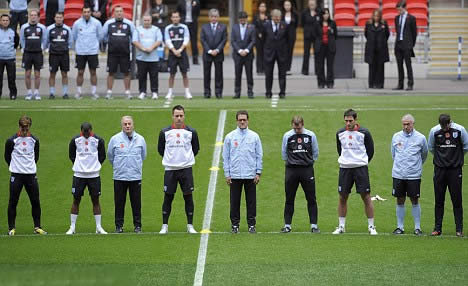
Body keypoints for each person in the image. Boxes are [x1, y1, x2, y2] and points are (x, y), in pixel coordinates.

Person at [333, 109, 377, 235]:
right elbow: (339, 150)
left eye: (350, 121)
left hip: (360, 168)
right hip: (345, 168)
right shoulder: (340, 133)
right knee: (342, 197)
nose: (348, 123)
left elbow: (371, 151)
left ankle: (371, 227)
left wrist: (361, 161)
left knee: (366, 197)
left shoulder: (364, 133)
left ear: (356, 120)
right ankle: (341, 226)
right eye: (346, 121)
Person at [157, 105, 200, 234]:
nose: (179, 118)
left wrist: (185, 160)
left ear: (184, 116)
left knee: (188, 197)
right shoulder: (164, 132)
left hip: (186, 169)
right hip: (170, 170)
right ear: (172, 116)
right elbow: (161, 150)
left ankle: (190, 225)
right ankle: (164, 225)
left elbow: (195, 149)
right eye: (177, 116)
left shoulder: (191, 132)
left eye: (181, 116)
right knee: (168, 197)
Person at [4, 115, 47, 236]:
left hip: (30, 175)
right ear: (19, 126)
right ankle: (11, 228)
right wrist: (15, 167)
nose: (24, 130)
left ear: (29, 127)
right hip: (16, 175)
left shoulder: (34, 140)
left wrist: (29, 167)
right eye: (22, 127)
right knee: (13, 201)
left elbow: (36, 157)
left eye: (26, 128)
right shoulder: (11, 140)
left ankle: (37, 227)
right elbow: (7, 157)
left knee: (35, 201)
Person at [428, 114, 468, 237]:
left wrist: (457, 159)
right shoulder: (434, 131)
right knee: (439, 200)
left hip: (455, 170)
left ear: (450, 122)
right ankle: (437, 228)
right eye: (442, 126)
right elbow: (431, 148)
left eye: (446, 126)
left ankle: (459, 229)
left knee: (457, 200)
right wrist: (441, 159)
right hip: (439, 170)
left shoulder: (460, 130)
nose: (444, 129)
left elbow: (466, 146)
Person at [223, 110, 263, 234]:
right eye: (240, 120)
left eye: (244, 119)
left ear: (248, 120)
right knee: (234, 201)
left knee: (251, 202)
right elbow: (226, 157)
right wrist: (227, 174)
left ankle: (251, 224)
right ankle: (235, 225)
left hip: (250, 174)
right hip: (235, 174)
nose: (242, 122)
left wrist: (258, 172)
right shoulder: (230, 137)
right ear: (236, 121)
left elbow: (259, 155)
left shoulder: (254, 136)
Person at [66, 122, 107, 235]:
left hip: (94, 175)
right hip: (79, 175)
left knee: (95, 200)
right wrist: (79, 166)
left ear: (91, 130)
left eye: (88, 132)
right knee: (76, 200)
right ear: (81, 131)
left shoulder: (98, 140)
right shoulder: (75, 140)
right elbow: (71, 155)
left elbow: (102, 156)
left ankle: (98, 227)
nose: (86, 134)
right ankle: (72, 227)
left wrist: (94, 165)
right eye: (84, 132)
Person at [108, 116, 147, 233]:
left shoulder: (140, 139)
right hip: (120, 176)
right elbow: (110, 156)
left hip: (135, 176)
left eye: (129, 124)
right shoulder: (115, 139)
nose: (127, 126)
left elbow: (143, 156)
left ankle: (137, 225)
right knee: (119, 202)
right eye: (125, 124)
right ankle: (119, 226)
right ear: (122, 125)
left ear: (133, 125)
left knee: (136, 203)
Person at [281, 116, 319, 233]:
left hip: (306, 170)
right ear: (292, 124)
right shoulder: (287, 136)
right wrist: (292, 162)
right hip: (291, 170)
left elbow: (315, 151)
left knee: (311, 198)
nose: (297, 130)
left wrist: (307, 162)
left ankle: (314, 226)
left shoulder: (311, 135)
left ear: (302, 124)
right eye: (295, 128)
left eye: (299, 127)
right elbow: (284, 153)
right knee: (289, 198)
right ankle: (287, 225)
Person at [391, 114, 428, 235]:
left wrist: (415, 166)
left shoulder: (421, 138)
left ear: (413, 124)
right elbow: (393, 154)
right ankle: (400, 227)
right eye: (404, 124)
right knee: (399, 200)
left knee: (414, 200)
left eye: (408, 124)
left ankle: (417, 227)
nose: (406, 126)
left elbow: (424, 154)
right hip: (398, 174)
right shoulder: (396, 136)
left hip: (414, 175)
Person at [102, 5, 135, 99]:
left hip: (125, 53)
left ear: (123, 12)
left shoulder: (129, 24)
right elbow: (103, 36)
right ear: (114, 13)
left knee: (127, 73)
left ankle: (128, 93)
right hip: (112, 53)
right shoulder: (108, 23)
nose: (119, 13)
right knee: (111, 73)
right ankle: (109, 93)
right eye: (117, 11)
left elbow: (134, 37)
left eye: (120, 11)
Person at [72, 5, 103, 99]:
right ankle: (79, 92)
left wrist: (93, 45)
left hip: (92, 52)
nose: (86, 14)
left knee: (93, 72)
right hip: (81, 52)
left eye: (88, 12)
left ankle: (94, 92)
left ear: (91, 12)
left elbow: (100, 36)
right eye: (84, 12)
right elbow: (74, 37)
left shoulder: (97, 23)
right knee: (80, 72)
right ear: (82, 13)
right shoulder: (77, 23)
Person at [260, 9, 288, 99]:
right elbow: (262, 40)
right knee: (268, 74)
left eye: (278, 18)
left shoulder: (284, 25)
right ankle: (268, 92)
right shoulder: (265, 25)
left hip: (281, 53)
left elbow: (288, 40)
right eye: (275, 18)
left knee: (282, 74)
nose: (277, 20)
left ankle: (282, 92)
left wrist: (286, 51)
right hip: (269, 53)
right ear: (272, 17)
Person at [133, 14, 163, 100]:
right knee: (142, 76)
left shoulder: (156, 29)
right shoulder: (138, 29)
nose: (146, 22)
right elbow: (135, 41)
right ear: (143, 20)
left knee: (154, 76)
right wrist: (143, 48)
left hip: (153, 58)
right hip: (141, 57)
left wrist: (151, 48)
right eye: (145, 20)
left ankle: (154, 92)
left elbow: (159, 40)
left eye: (148, 20)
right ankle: (142, 92)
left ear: (151, 21)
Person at [20, 9, 47, 100]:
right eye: (31, 15)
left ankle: (36, 92)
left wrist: (42, 48)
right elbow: (22, 39)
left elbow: (44, 39)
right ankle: (29, 93)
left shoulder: (42, 27)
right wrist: (23, 48)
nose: (33, 17)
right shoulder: (24, 27)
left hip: (38, 54)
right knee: (27, 74)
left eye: (35, 15)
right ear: (29, 16)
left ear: (38, 17)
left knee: (37, 75)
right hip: (27, 53)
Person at [164, 10, 192, 99]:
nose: (175, 18)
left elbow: (186, 39)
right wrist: (174, 50)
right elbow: (167, 40)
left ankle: (187, 92)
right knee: (172, 74)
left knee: (184, 73)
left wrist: (180, 50)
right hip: (172, 54)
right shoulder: (168, 28)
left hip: (182, 53)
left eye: (177, 17)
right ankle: (170, 92)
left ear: (179, 18)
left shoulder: (184, 27)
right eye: (174, 17)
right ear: (171, 18)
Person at [45, 12, 73, 99]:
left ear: (63, 18)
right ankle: (52, 93)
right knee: (52, 74)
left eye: (60, 17)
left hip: (64, 55)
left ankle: (65, 93)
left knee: (64, 74)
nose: (59, 19)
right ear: (54, 18)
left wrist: (64, 48)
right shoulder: (49, 28)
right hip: (53, 55)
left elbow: (70, 42)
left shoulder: (67, 29)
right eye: (57, 17)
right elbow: (46, 41)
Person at [200, 8, 227, 99]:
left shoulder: (223, 27)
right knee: (206, 74)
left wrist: (217, 50)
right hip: (207, 54)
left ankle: (218, 92)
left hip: (218, 54)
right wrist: (209, 50)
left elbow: (224, 40)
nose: (214, 18)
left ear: (218, 17)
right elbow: (202, 40)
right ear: (209, 17)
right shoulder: (204, 27)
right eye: (212, 16)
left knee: (219, 74)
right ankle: (207, 92)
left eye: (215, 16)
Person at [231, 11, 256, 99]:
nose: (242, 21)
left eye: (244, 19)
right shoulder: (234, 27)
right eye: (241, 19)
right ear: (238, 20)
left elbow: (253, 40)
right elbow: (233, 41)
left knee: (249, 74)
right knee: (238, 74)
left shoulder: (252, 27)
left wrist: (246, 50)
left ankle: (250, 91)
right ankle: (237, 92)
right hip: (238, 55)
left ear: (246, 19)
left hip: (248, 55)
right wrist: (239, 50)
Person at [393, 1, 417, 91]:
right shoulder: (396, 18)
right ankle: (400, 84)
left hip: (407, 45)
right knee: (399, 65)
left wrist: (411, 45)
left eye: (400, 10)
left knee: (408, 65)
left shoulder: (411, 18)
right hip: (398, 44)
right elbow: (397, 31)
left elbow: (414, 33)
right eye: (397, 10)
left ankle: (410, 84)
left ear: (404, 8)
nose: (398, 12)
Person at [364, 9, 390, 89]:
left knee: (380, 67)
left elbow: (387, 34)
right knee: (372, 67)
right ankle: (371, 84)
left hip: (381, 49)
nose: (376, 17)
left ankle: (380, 84)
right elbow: (366, 34)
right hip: (371, 49)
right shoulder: (368, 24)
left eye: (377, 16)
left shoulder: (384, 24)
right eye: (375, 16)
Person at [314, 8, 337, 89]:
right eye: (324, 14)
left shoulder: (332, 23)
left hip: (330, 46)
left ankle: (330, 82)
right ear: (321, 15)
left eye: (327, 13)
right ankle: (321, 82)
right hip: (320, 47)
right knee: (320, 66)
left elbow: (335, 35)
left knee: (330, 66)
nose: (326, 15)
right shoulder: (317, 24)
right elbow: (314, 35)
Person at [0, 14, 19, 100]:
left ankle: (13, 94)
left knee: (11, 78)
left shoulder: (13, 31)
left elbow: (16, 43)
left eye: (6, 20)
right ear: (0, 21)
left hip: (10, 59)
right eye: (3, 20)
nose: (5, 22)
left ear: (9, 22)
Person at [177, 0, 200, 65]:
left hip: (193, 23)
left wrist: (194, 19)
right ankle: (182, 58)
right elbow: (178, 12)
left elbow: (198, 13)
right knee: (182, 41)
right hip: (183, 23)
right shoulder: (180, 2)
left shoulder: (196, 2)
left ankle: (195, 59)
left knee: (194, 41)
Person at [301, 0, 321, 76]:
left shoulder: (319, 12)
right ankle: (305, 70)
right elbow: (302, 23)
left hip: (316, 36)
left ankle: (317, 70)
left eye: (313, 4)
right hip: (307, 35)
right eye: (310, 4)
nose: (311, 5)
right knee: (306, 53)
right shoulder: (304, 12)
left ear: (316, 5)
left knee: (317, 53)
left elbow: (320, 23)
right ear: (308, 5)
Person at [282, 0, 298, 75]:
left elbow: (296, 25)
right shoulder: (282, 14)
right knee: (284, 52)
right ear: (284, 6)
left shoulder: (295, 14)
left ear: (291, 6)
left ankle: (288, 68)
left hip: (292, 35)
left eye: (288, 5)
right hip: (283, 36)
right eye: (286, 5)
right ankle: (283, 68)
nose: (287, 6)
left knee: (290, 52)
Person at [253, 1, 268, 75]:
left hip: (266, 38)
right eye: (261, 6)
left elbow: (269, 27)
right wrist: (258, 33)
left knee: (265, 54)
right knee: (259, 54)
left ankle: (265, 69)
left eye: (264, 6)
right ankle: (259, 69)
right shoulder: (255, 16)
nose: (263, 8)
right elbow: (253, 27)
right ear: (259, 8)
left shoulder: (268, 16)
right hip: (258, 38)